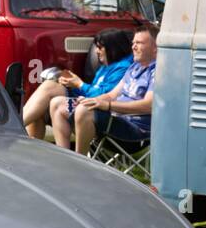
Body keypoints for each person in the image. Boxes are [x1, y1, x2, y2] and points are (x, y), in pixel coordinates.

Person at [54, 24, 158, 154]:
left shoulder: (157, 72)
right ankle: (63, 157)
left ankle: (79, 160)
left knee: (84, 110)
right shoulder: (134, 67)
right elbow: (112, 95)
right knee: (59, 104)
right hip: (113, 118)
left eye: (139, 43)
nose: (133, 47)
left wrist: (108, 106)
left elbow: (148, 106)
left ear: (155, 48)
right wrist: (92, 100)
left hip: (134, 130)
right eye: (133, 43)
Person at [22, 28, 133, 140]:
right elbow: (92, 92)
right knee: (41, 108)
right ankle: (27, 147)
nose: (96, 51)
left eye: (100, 48)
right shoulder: (106, 66)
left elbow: (104, 96)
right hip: (87, 104)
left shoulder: (123, 68)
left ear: (112, 48)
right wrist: (71, 84)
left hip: (99, 113)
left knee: (50, 90)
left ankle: (16, 126)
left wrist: (79, 84)